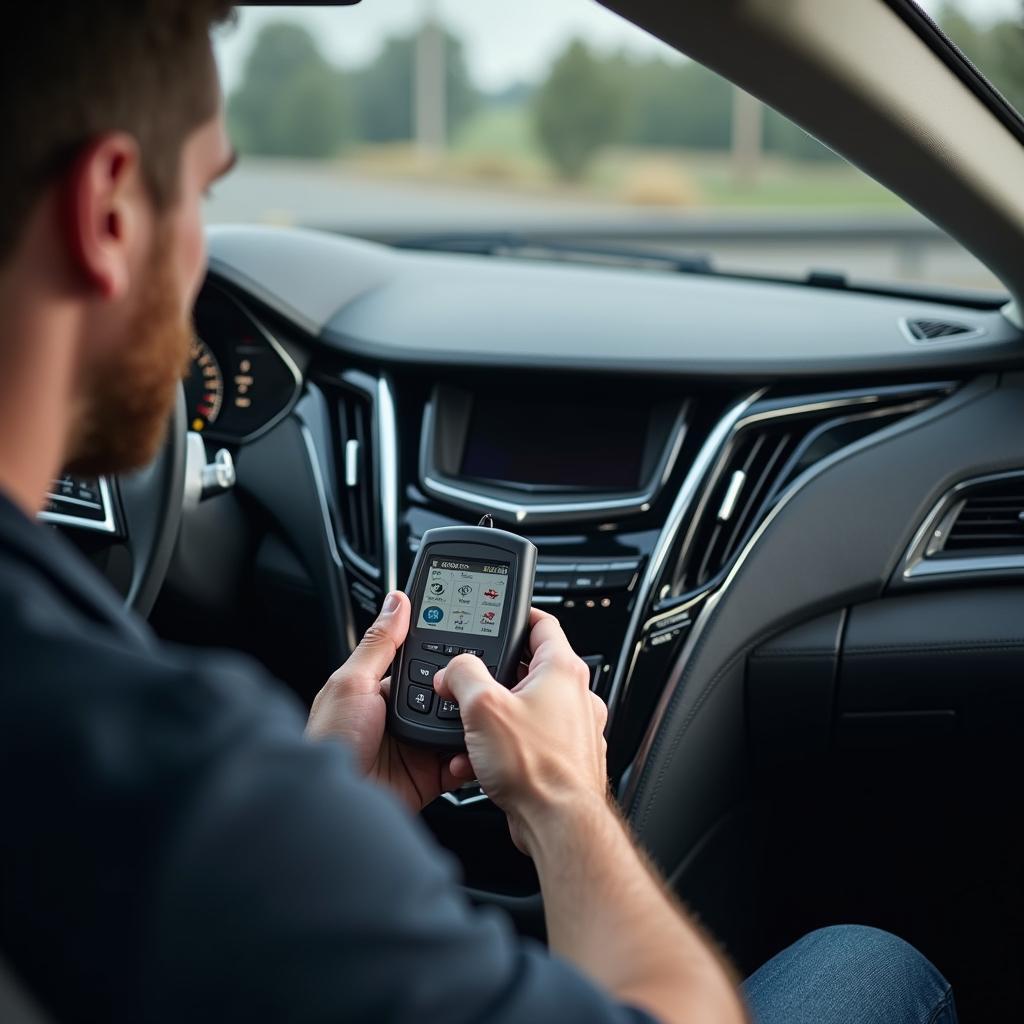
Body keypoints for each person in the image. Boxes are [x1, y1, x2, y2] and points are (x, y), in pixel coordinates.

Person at [0, 4, 957, 1023]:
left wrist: (329, 810)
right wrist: (566, 803)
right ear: (108, 213)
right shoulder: (181, 791)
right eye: (200, 192)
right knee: (871, 962)